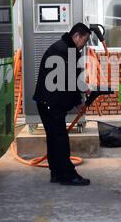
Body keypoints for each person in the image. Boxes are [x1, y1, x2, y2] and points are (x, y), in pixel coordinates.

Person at [33, 23, 91, 186]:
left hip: (46, 102)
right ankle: (68, 175)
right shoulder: (66, 51)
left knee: (54, 138)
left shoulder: (62, 47)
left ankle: (57, 173)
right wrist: (79, 103)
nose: (83, 46)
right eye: (84, 41)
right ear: (76, 36)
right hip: (51, 103)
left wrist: (83, 87)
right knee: (60, 139)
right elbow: (69, 81)